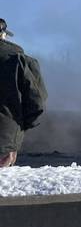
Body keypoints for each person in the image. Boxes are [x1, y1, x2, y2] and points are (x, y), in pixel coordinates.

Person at [0, 18, 47, 167]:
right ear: (2, 34)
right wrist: (20, 126)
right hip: (4, 136)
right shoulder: (18, 59)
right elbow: (37, 101)